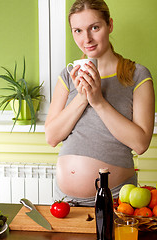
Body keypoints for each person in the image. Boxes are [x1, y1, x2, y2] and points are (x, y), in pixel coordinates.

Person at [45, 0, 155, 206]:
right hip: (64, 202)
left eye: (94, 27)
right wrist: (81, 97)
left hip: (114, 198)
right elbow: (51, 137)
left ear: (109, 25)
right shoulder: (68, 76)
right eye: (77, 30)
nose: (86, 39)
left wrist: (98, 101)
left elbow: (140, 144)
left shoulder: (137, 75)